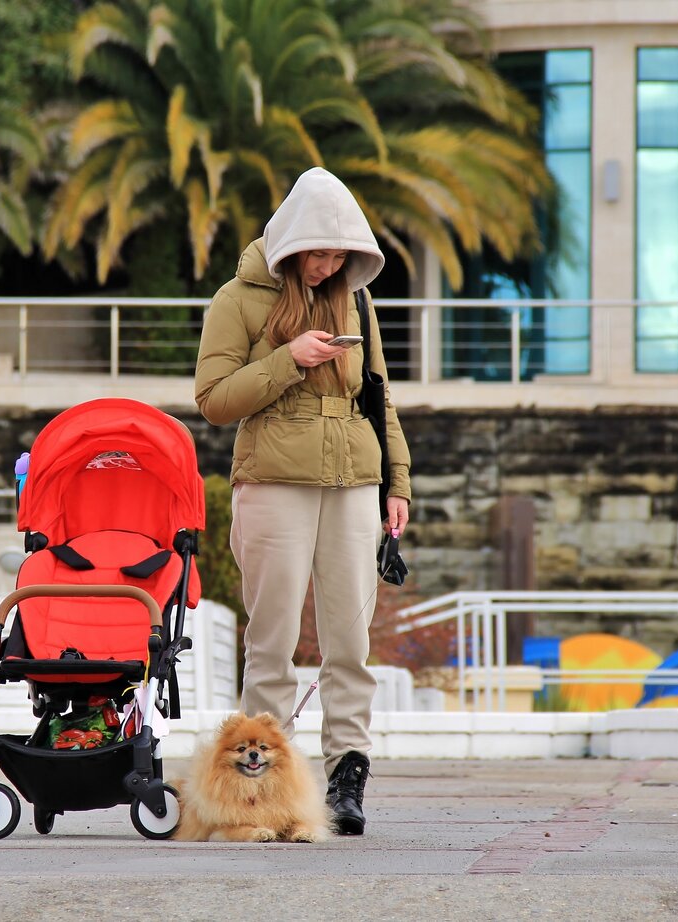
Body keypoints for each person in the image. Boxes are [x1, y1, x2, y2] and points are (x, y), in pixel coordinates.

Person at [194, 167, 411, 836]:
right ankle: (256, 791)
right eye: (317, 254)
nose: (327, 266)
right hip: (273, 484)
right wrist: (288, 357)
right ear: (290, 247)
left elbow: (378, 396)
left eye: (340, 256)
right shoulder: (239, 297)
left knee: (349, 640)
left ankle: (347, 780)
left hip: (354, 482)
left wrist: (397, 484)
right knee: (273, 639)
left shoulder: (358, 303)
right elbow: (213, 400)